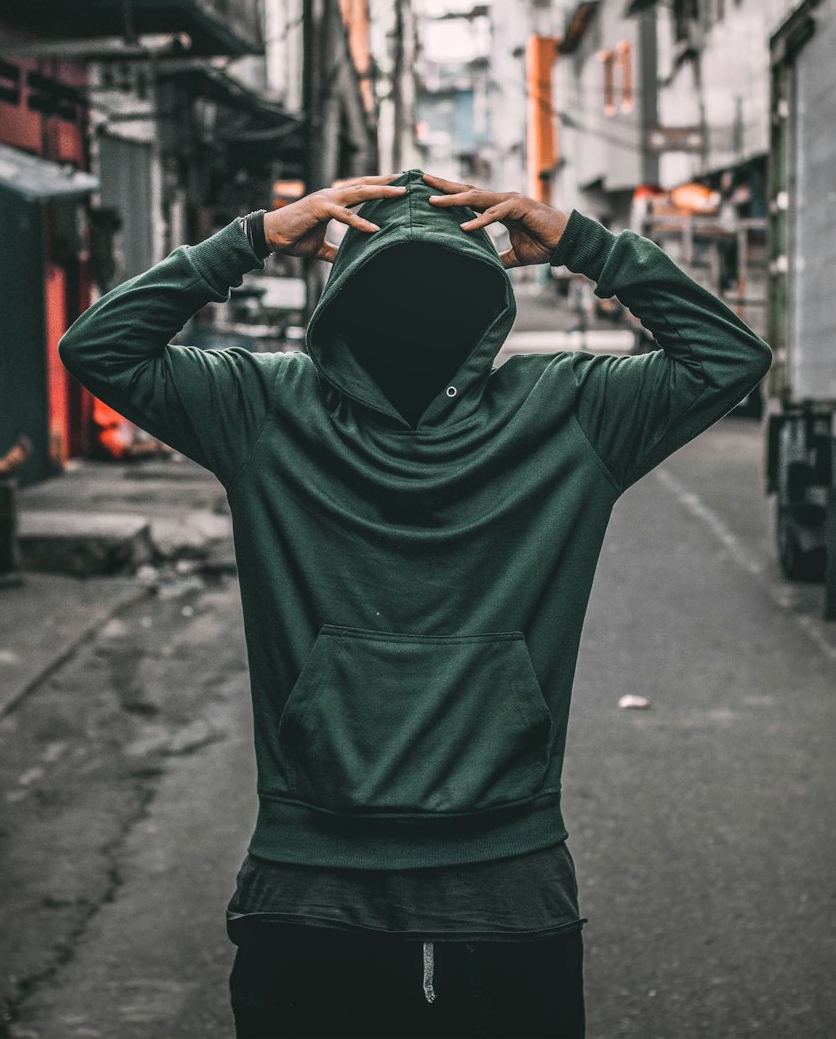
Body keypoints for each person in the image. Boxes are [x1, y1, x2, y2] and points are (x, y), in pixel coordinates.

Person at [57, 167, 773, 1039]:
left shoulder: (263, 405)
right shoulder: (570, 407)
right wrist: (585, 246)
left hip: (324, 883)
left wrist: (251, 239)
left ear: (335, 295)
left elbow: (101, 346)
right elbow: (727, 357)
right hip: (495, 885)